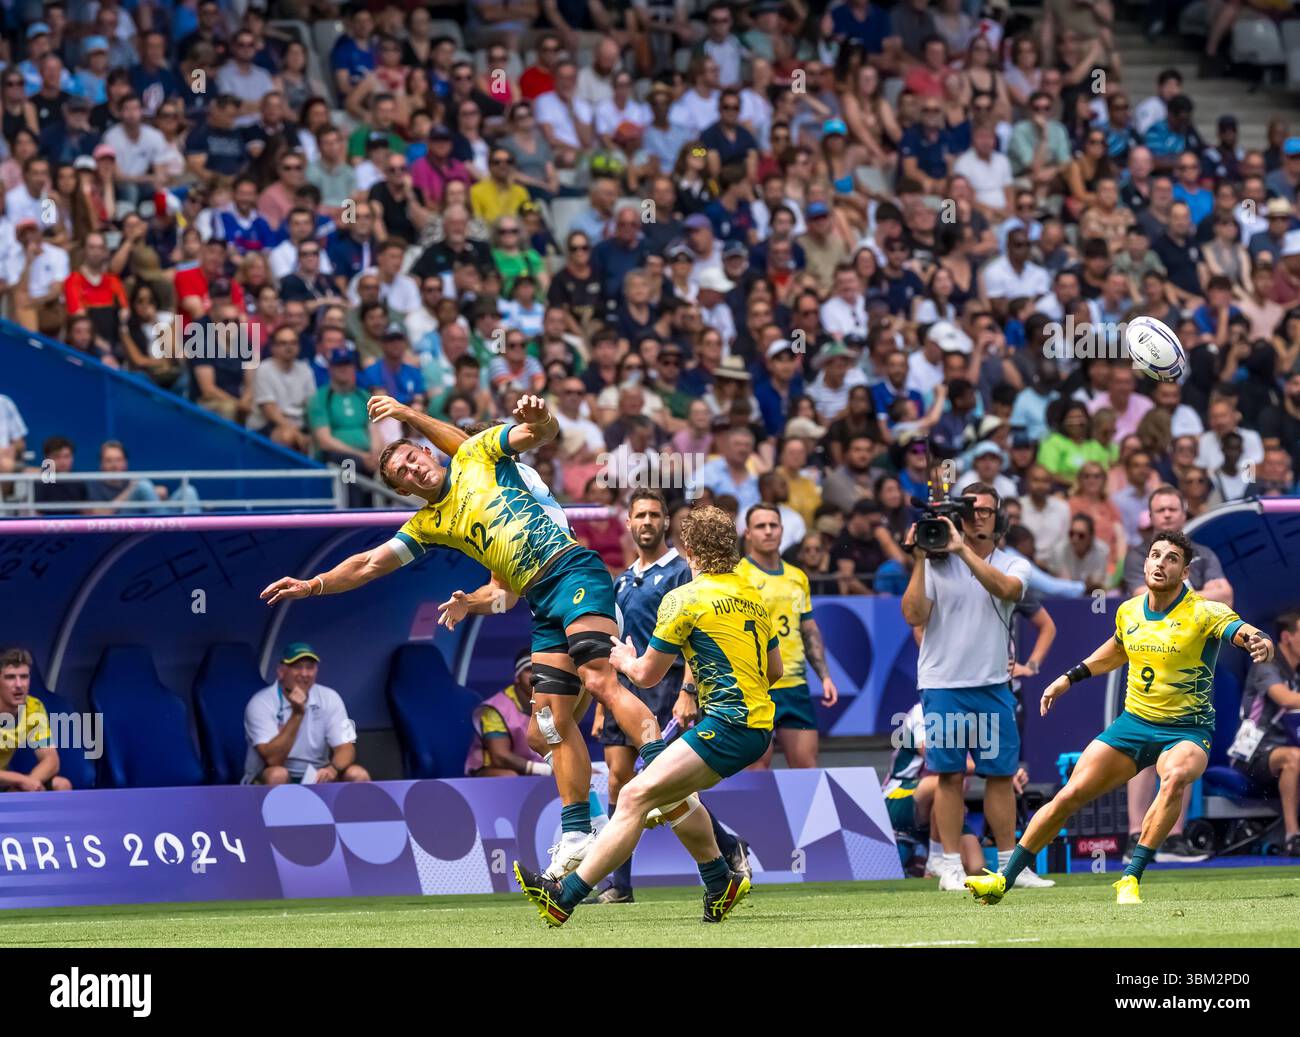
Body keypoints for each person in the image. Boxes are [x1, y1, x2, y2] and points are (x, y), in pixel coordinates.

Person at [263, 396, 667, 884]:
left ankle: (661, 767)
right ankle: (581, 829)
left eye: (414, 459)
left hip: (573, 571)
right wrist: (314, 585)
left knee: (599, 681)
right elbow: (374, 564)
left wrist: (531, 417)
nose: (413, 472)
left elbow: (539, 433)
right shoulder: (431, 524)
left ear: (430, 453)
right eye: (402, 476)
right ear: (402, 491)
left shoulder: (477, 456)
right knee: (547, 724)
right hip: (541, 602)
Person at [966, 530, 1275, 905]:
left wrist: (1261, 641)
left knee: (1175, 776)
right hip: (1133, 726)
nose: (1161, 563)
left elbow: (1245, 633)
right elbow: (1116, 650)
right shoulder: (1129, 609)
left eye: (1171, 559)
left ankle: (1130, 878)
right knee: (1070, 795)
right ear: (1145, 563)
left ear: (1185, 572)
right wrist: (1068, 678)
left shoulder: (1205, 612)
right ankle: (1003, 880)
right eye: (1155, 555)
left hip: (1186, 731)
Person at [513, 505, 779, 927]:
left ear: (688, 548)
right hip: (758, 726)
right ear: (733, 547)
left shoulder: (683, 599)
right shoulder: (754, 595)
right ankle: (718, 881)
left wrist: (622, 657)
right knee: (665, 796)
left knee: (635, 796)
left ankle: (565, 895)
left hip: (727, 726)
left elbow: (647, 675)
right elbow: (775, 671)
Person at [589, 488, 751, 902]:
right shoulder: (623, 580)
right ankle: (619, 886)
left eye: (654, 515)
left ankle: (725, 850)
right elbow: (616, 643)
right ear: (628, 523)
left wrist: (688, 690)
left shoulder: (683, 572)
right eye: (639, 514)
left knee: (664, 785)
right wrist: (601, 702)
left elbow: (703, 636)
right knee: (618, 783)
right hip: (622, 694)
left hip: (664, 691)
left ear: (666, 523)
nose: (646, 521)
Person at [900, 484, 1053, 893]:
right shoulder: (934, 564)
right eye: (971, 510)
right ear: (960, 515)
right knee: (949, 776)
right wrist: (919, 558)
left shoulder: (1013, 563)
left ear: (998, 517)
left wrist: (960, 550)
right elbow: (913, 614)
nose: (979, 516)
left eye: (987, 510)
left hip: (992, 684)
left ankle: (1009, 866)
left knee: (1001, 776)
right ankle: (949, 866)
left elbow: (1006, 591)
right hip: (944, 684)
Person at [740, 502, 839, 768]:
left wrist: (825, 676)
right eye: (761, 526)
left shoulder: (798, 577)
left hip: (795, 685)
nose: (768, 531)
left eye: (774, 525)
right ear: (747, 533)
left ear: (782, 530)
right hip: (755, 687)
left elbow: (808, 629)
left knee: (807, 768)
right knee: (756, 768)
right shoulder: (737, 576)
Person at [242, 643, 370, 785]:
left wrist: (333, 769)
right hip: (271, 774)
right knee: (277, 775)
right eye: (297, 667)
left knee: (358, 774)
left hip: (317, 775)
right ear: (281, 671)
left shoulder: (331, 697)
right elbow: (274, 760)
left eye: (310, 667)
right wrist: (297, 715)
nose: (304, 674)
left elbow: (347, 747)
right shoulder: (261, 702)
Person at [1227, 609, 1300, 856]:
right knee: (1294, 757)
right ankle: (1293, 836)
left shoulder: (1297, 672)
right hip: (1251, 753)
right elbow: (1287, 699)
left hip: (1284, 749)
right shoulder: (1266, 663)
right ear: (1287, 637)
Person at [466, 649, 553, 777]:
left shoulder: (551, 704)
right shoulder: (496, 709)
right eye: (529, 669)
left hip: (534, 771)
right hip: (492, 771)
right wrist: (546, 770)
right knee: (510, 776)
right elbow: (500, 757)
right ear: (517, 677)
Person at [0, 647, 72, 791]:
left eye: (24, 677)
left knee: (62, 785)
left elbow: (51, 760)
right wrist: (21, 780)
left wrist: (30, 784)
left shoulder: (33, 708)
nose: (19, 685)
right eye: (10, 677)